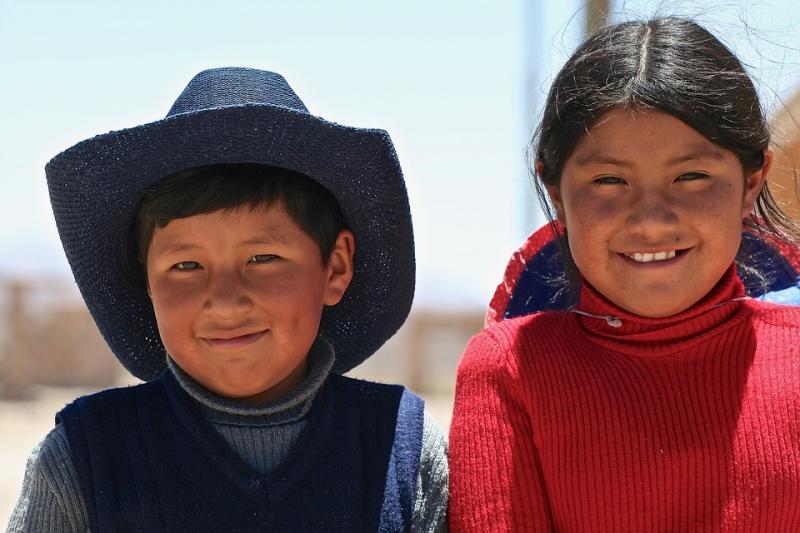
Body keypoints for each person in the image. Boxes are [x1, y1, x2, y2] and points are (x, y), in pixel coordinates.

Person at [7, 67, 448, 532]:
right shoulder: (84, 460)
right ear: (148, 281)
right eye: (186, 266)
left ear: (335, 267)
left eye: (262, 257)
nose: (225, 301)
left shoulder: (403, 453)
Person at [449, 16, 800, 531]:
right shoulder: (508, 372)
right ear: (555, 193)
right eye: (610, 180)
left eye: (692, 176)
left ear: (752, 181)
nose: (652, 220)